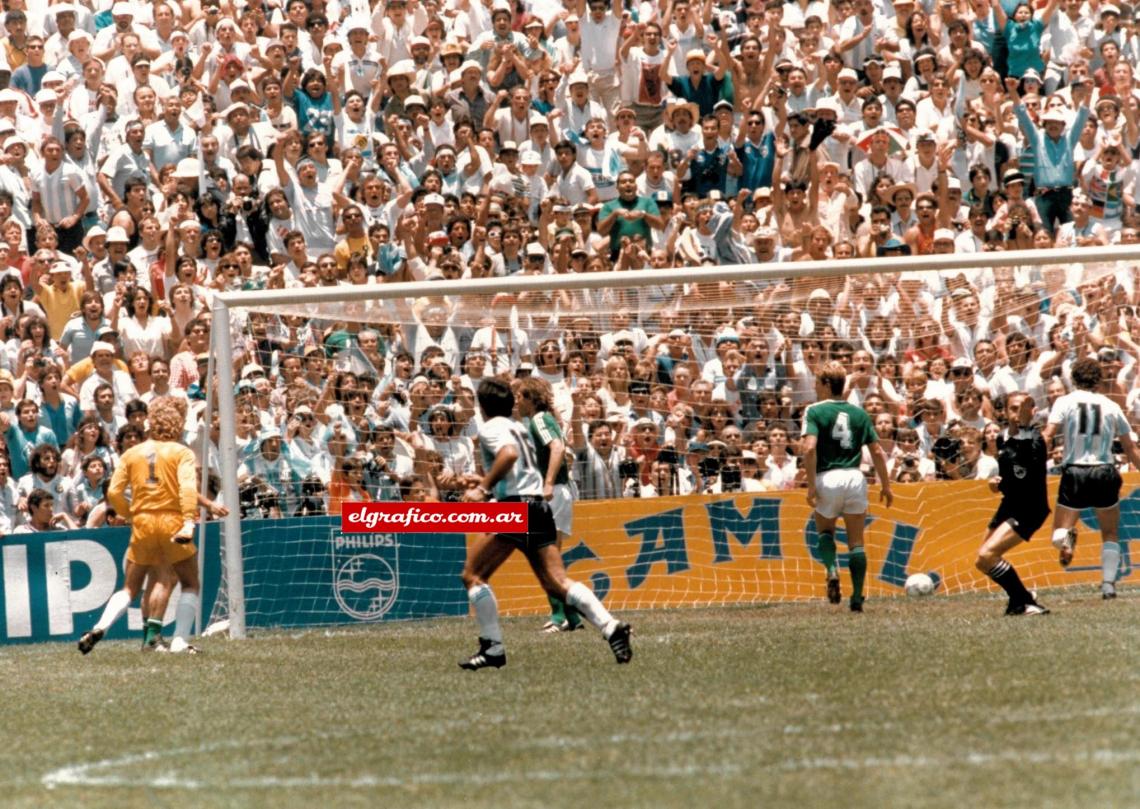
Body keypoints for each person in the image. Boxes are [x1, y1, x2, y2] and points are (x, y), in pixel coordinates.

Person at [457, 378, 632, 669]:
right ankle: (611, 626)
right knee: (556, 582)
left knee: (473, 576)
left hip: (514, 509)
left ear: (482, 405)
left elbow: (509, 456)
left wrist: (483, 488)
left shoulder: (493, 427)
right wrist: (481, 480)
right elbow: (520, 467)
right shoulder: (517, 428)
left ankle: (493, 648)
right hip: (536, 505)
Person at [78, 397, 203, 655]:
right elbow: (188, 488)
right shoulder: (182, 453)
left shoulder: (132, 453)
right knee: (189, 582)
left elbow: (113, 491)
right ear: (177, 425)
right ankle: (179, 639)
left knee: (130, 587)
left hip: (143, 521)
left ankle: (100, 627)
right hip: (172, 520)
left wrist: (129, 513)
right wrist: (189, 520)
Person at [1042, 357, 1140, 600]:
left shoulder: (1064, 401)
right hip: (1105, 471)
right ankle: (1108, 585)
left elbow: (1048, 435)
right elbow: (1130, 448)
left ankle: (1065, 537)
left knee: (1058, 531)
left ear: (1073, 379)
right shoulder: (1111, 405)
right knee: (1110, 533)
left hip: (1075, 471)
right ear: (1099, 381)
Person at [802, 361, 894, 612]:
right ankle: (856, 597)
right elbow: (877, 451)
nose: (814, 386)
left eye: (817, 382)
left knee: (825, 532)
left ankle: (831, 570)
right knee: (857, 542)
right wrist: (886, 486)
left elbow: (809, 448)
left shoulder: (814, 411)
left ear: (826, 384)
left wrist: (811, 486)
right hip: (855, 476)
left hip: (827, 478)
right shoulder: (859, 413)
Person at [974, 392, 1051, 615]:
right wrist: (996, 483)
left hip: (1029, 509)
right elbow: (1010, 477)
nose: (1018, 414)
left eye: (1023, 408)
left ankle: (1024, 602)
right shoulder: (1001, 439)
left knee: (987, 555)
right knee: (982, 561)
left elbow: (1027, 474)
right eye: (1013, 409)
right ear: (1005, 412)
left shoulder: (1035, 441)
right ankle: (1022, 598)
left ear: (1032, 411)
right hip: (1009, 505)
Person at [516, 377, 583, 633]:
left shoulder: (539, 419)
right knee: (549, 556)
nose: (516, 401)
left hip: (552, 492)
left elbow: (557, 447)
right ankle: (571, 618)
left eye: (520, 395)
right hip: (557, 492)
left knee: (545, 557)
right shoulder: (541, 419)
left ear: (531, 398)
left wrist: (548, 483)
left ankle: (558, 617)